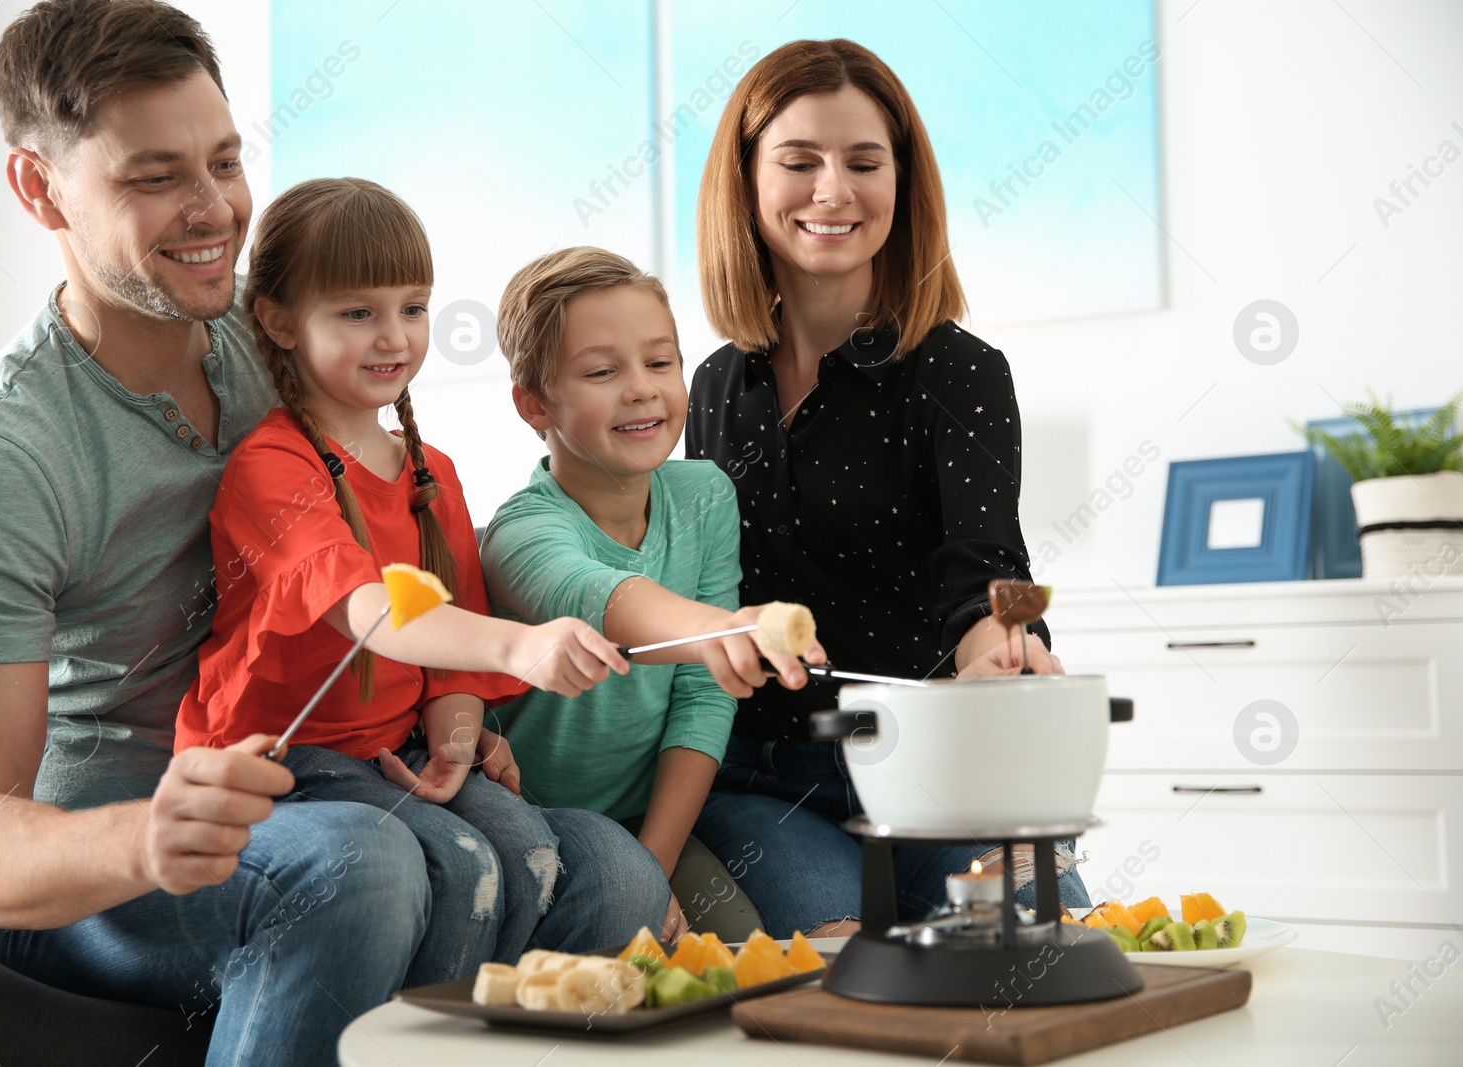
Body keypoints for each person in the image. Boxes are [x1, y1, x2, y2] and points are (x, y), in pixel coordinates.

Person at [0, 4, 562, 1063]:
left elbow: (405, 521)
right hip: (95, 850)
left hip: (300, 779)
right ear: (38, 187)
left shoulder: (273, 333)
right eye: (155, 176)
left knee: (567, 859)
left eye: (225, 160)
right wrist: (143, 835)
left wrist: (454, 692)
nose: (215, 211)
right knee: (360, 865)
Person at [173, 179, 668, 985]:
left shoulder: (433, 470)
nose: (393, 336)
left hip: (394, 749)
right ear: (276, 318)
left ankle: (496, 1029)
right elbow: (374, 612)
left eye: (412, 307)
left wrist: (458, 732)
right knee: (465, 864)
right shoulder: (273, 466)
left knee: (552, 855)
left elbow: (450, 648)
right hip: (286, 757)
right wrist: (523, 644)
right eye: (357, 312)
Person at [685, 38, 1088, 940]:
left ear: (901, 184)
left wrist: (1009, 643)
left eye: (865, 162)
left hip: (936, 770)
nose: (834, 190)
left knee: (1050, 954)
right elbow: (703, 588)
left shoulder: (960, 370)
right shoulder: (710, 387)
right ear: (746, 182)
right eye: (799, 162)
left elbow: (987, 566)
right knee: (851, 975)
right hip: (761, 782)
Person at [480, 247, 823, 943]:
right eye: (603, 371)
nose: (641, 389)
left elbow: (701, 698)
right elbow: (596, 593)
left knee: (741, 958)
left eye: (660, 362)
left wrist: (655, 863)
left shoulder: (703, 496)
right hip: (531, 824)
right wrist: (719, 630)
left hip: (647, 823)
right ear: (533, 402)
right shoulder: (521, 531)